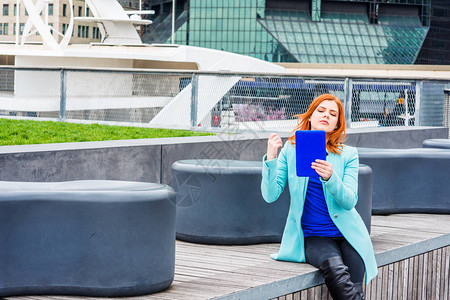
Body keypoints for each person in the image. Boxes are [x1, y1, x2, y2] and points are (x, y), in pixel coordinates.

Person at [261, 94, 377, 300]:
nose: (326, 116)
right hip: (314, 235)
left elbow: (350, 201)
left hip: (348, 233)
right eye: (321, 111)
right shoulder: (291, 148)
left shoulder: (348, 154)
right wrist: (271, 157)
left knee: (354, 287)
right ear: (311, 116)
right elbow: (270, 195)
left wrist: (331, 177)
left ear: (336, 125)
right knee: (335, 268)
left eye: (333, 114)